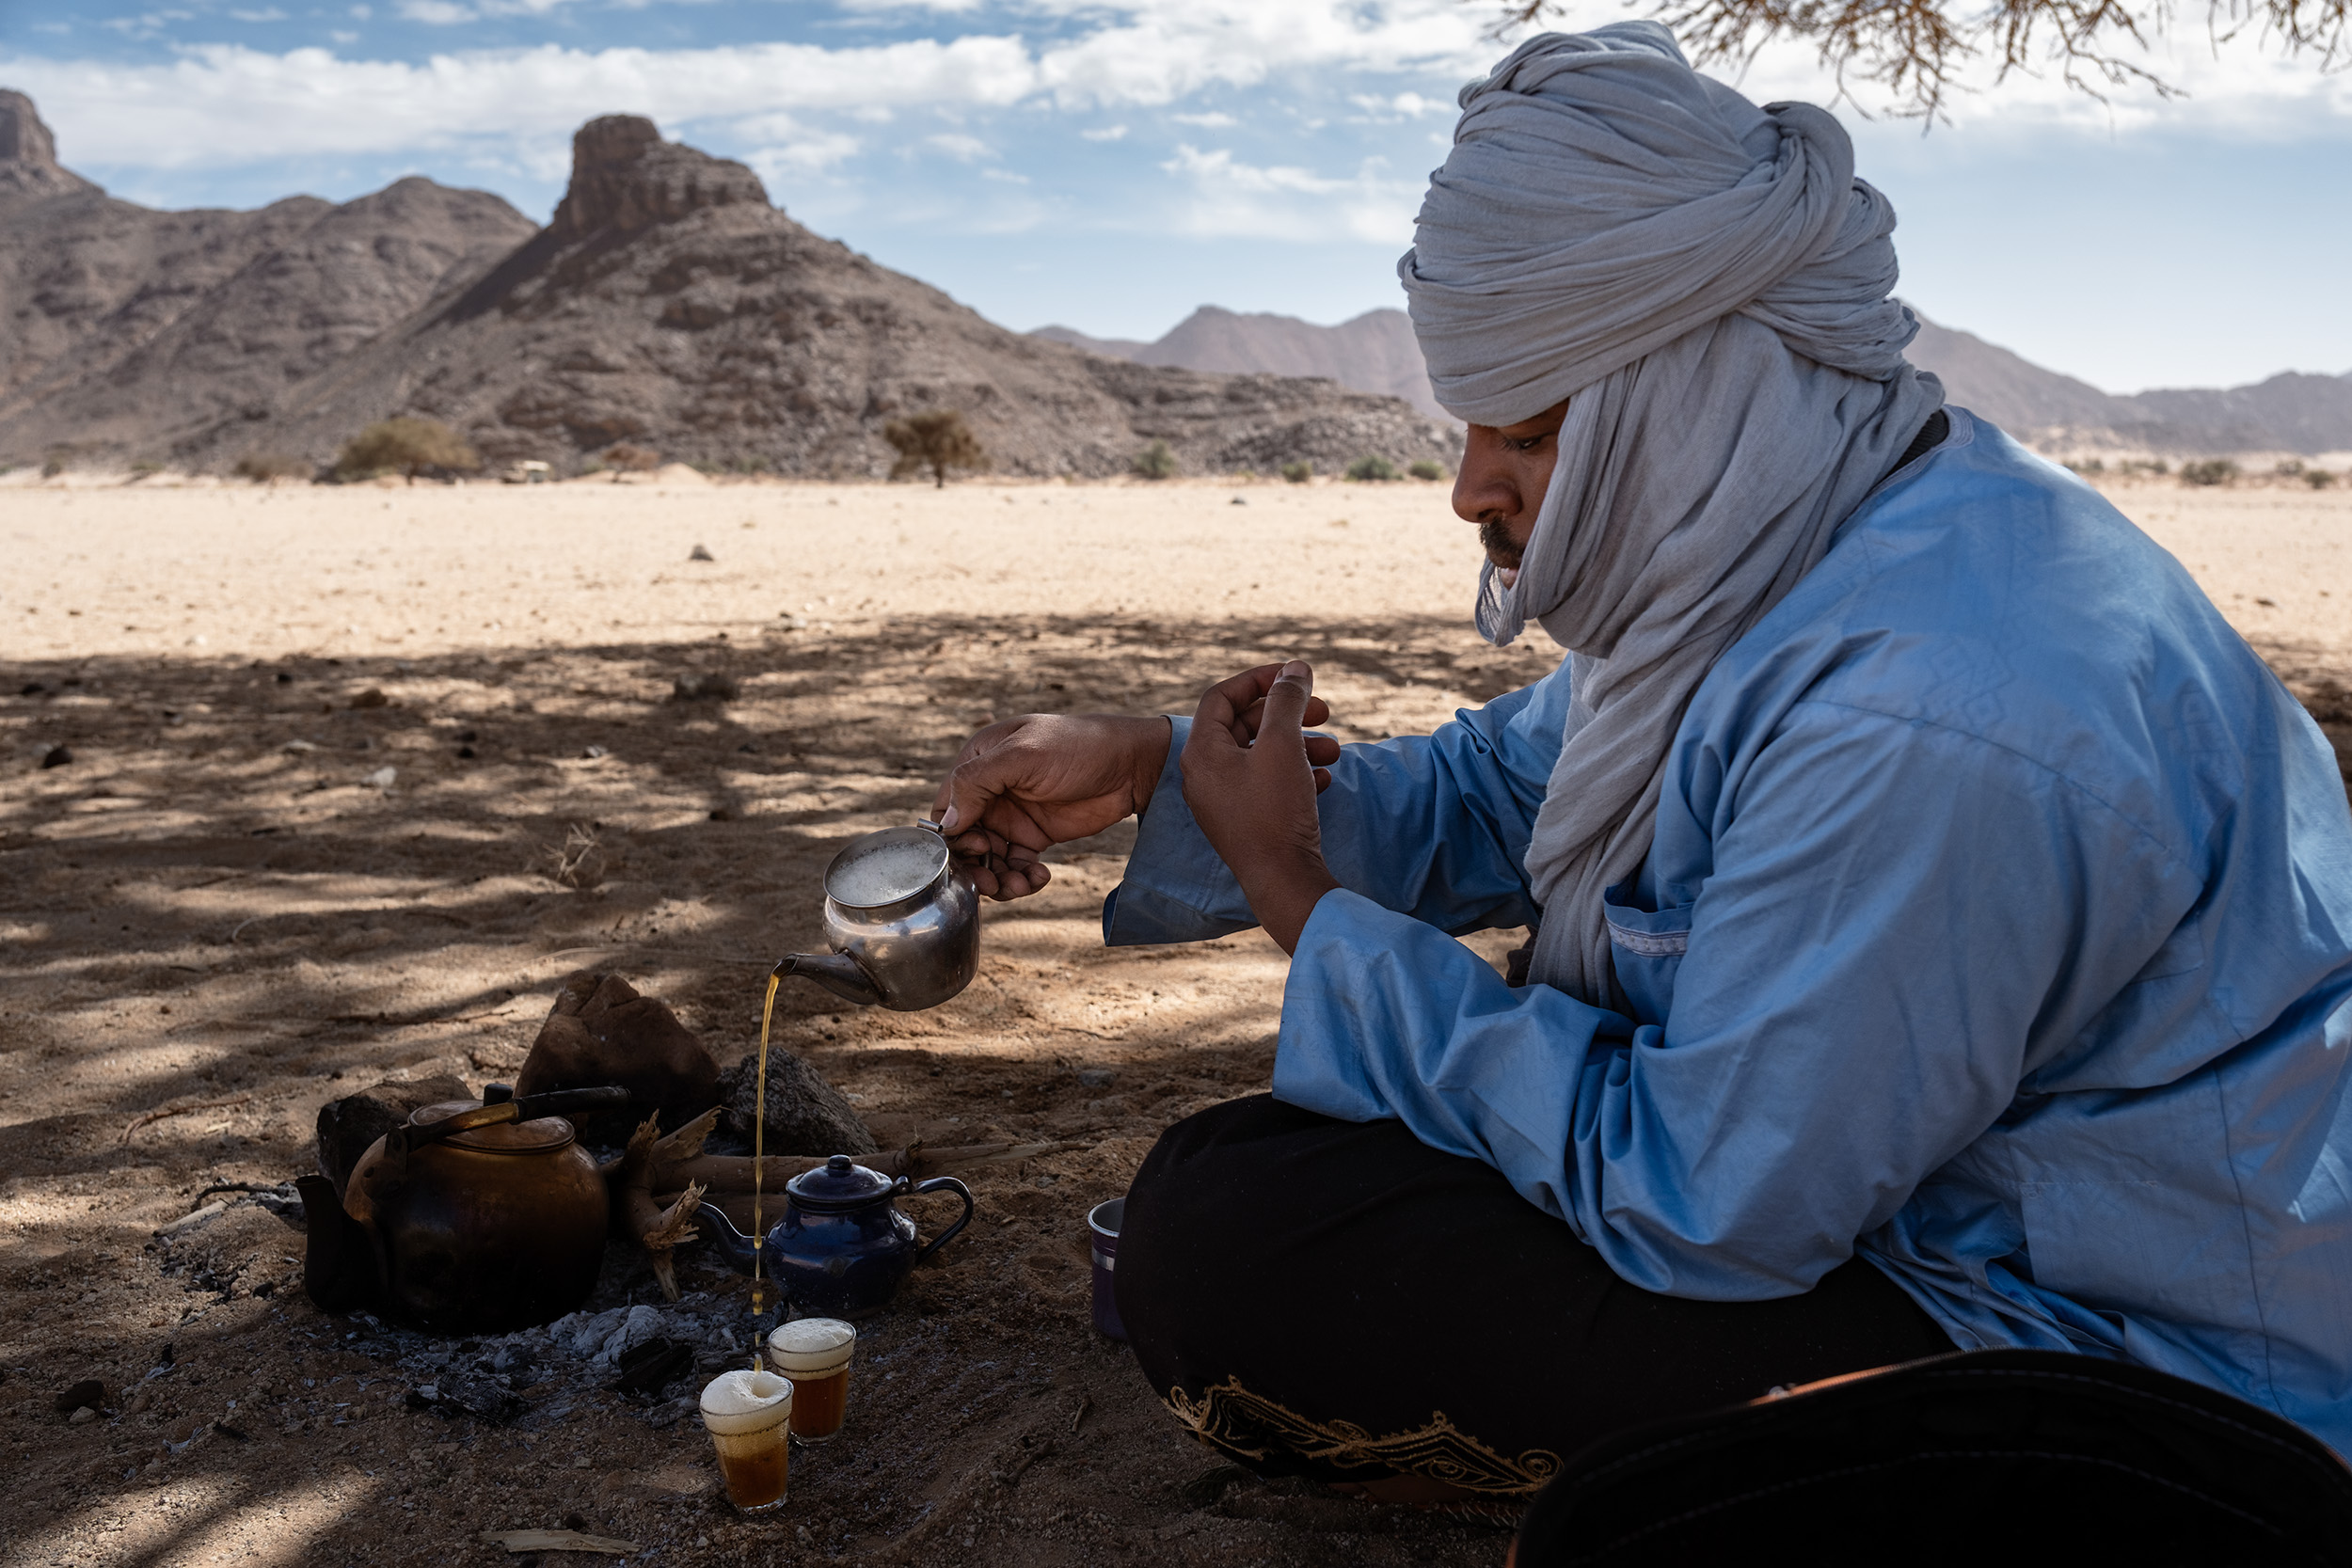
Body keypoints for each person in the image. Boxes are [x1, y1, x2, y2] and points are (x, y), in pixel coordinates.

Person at [930, 23, 2352, 1502]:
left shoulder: (1927, 709)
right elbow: (1496, 792)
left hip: (2143, 1360)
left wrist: (1299, 896)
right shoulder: (1787, 539)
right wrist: (1162, 766)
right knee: (1265, 1175)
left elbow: (1711, 1204)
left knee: (1235, 1245)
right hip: (1922, 1211)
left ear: (1699, 390)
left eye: (1532, 430)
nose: (1471, 485)